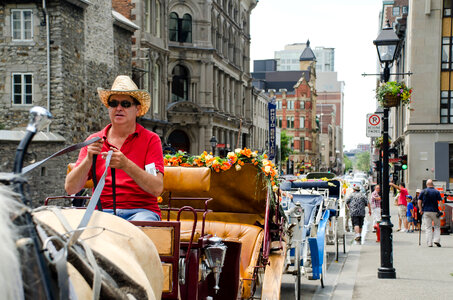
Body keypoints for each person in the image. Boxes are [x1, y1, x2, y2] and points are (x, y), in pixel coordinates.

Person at [65, 75, 164, 221]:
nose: (119, 108)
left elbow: (156, 188)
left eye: (125, 104)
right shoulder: (94, 140)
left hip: (141, 211)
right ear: (108, 108)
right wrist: (88, 160)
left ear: (137, 109)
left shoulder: (151, 140)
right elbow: (71, 188)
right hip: (102, 211)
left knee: (140, 228)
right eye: (113, 103)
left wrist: (126, 165)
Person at [418, 179, 442, 247]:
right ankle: (436, 240)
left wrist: (420, 209)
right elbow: (440, 202)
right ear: (433, 184)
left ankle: (429, 243)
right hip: (435, 211)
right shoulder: (436, 192)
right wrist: (442, 210)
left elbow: (419, 201)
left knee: (428, 227)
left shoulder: (423, 191)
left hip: (426, 211)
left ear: (426, 184)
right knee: (437, 226)